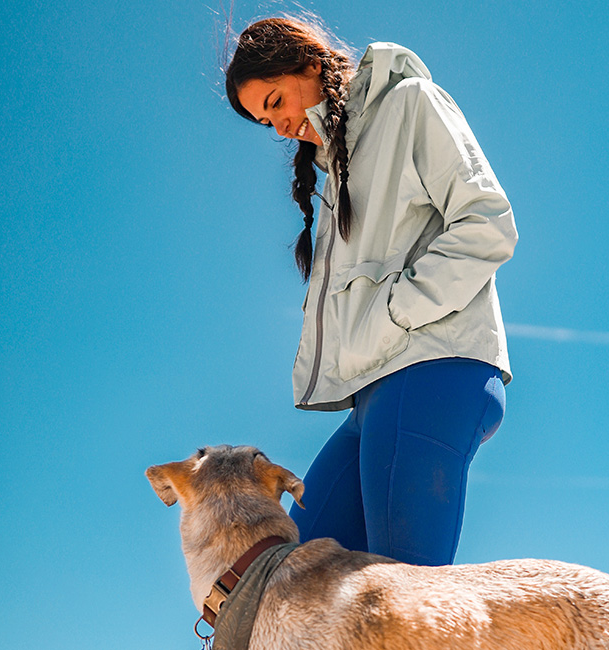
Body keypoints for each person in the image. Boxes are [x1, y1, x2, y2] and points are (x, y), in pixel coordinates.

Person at [224, 16, 517, 567]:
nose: (281, 124)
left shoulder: (408, 105)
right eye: (267, 120)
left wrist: (396, 312)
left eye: (277, 100)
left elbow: (488, 224)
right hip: (376, 392)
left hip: (432, 368)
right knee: (290, 576)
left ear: (309, 64)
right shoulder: (334, 173)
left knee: (403, 601)